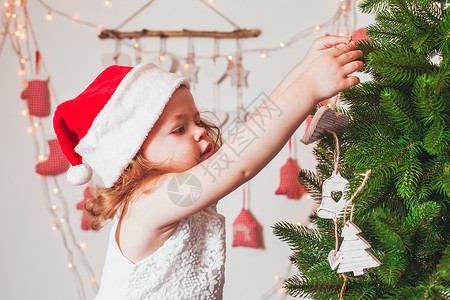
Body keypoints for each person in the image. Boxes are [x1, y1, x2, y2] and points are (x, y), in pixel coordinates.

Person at [53, 36, 363, 300]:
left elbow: (251, 134)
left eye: (197, 121)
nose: (200, 131)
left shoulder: (178, 190)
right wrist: (308, 87)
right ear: (135, 156)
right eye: (179, 129)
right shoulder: (149, 202)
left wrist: (304, 69)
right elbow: (239, 164)